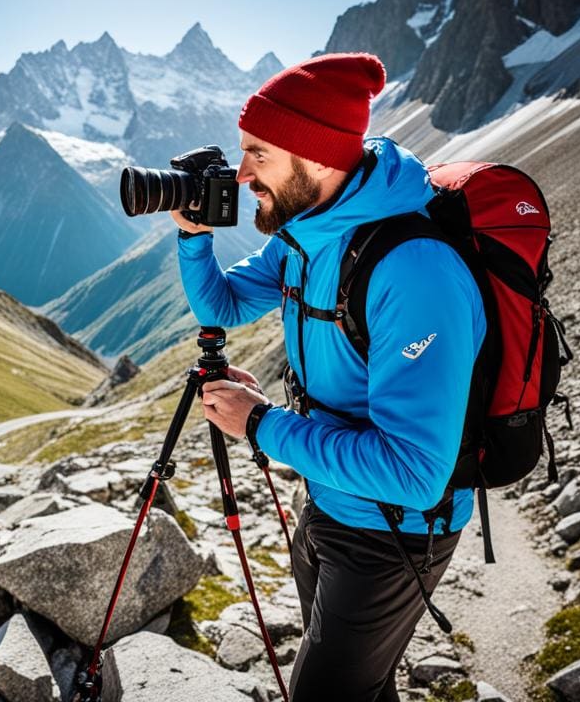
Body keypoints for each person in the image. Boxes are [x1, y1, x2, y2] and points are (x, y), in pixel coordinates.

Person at [171, 52, 487, 701]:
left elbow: (415, 474)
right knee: (360, 683)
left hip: (394, 532)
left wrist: (260, 424)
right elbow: (223, 307)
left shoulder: (415, 271)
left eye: (259, 152)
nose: (242, 173)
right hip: (328, 497)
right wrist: (194, 237)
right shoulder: (308, 231)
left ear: (314, 158)